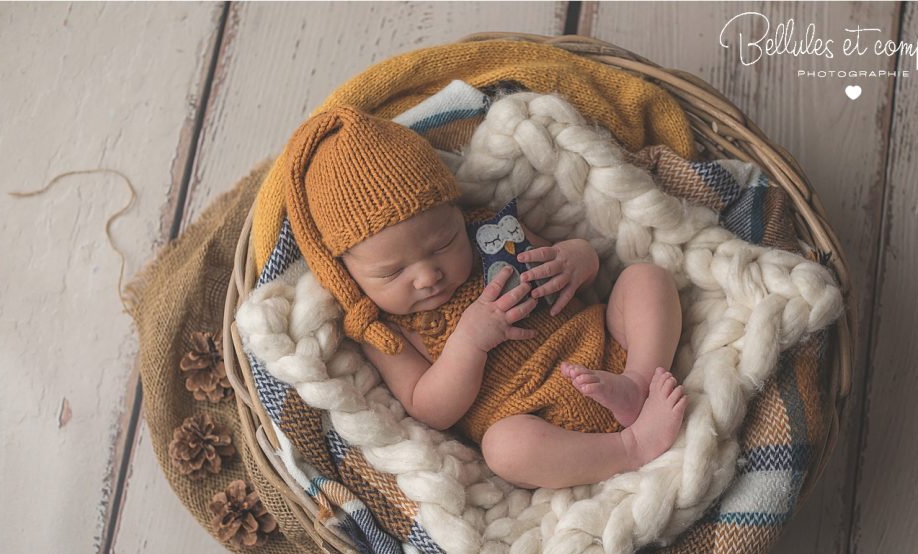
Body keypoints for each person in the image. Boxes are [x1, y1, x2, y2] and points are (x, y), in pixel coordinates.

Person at [284, 105, 686, 489]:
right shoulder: (384, 332)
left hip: (605, 350)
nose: (427, 276)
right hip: (535, 417)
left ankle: (638, 384)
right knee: (504, 449)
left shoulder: (492, 235)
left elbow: (570, 275)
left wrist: (576, 260)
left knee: (644, 280)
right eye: (392, 272)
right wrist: (467, 343)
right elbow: (429, 408)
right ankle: (629, 448)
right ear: (348, 275)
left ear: (459, 214)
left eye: (443, 244)